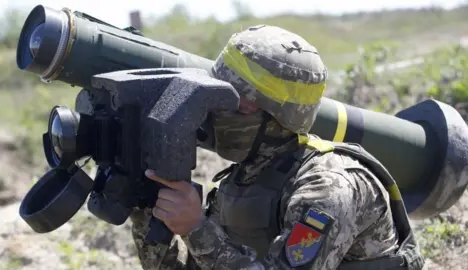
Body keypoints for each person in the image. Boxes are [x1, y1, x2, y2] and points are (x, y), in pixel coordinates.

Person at [129, 25, 425, 270]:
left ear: (276, 120)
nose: (215, 117)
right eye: (214, 102)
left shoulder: (327, 188)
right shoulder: (245, 178)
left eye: (235, 108)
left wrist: (196, 228)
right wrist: (146, 208)